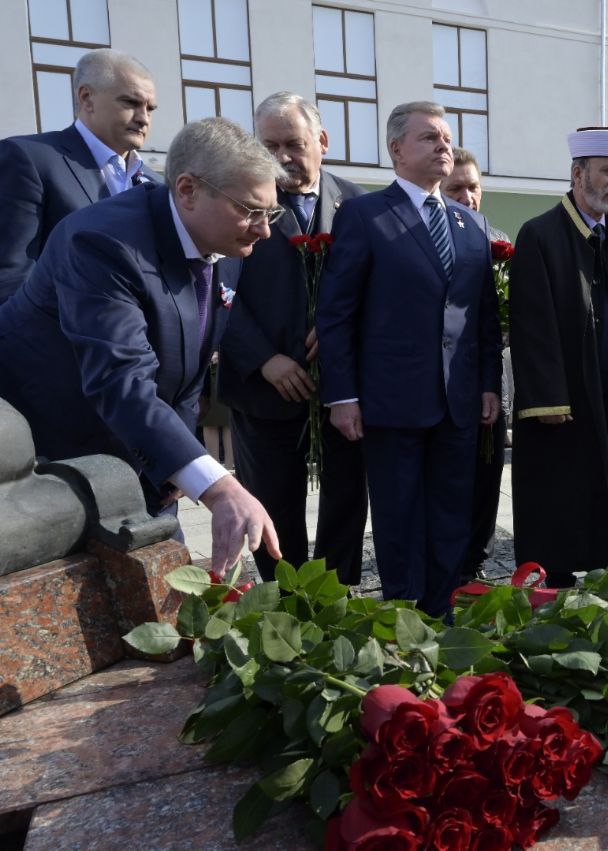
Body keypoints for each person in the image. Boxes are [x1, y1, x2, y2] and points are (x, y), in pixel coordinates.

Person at [0, 117, 284, 572]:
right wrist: (218, 486)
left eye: (271, 212)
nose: (263, 230)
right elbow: (118, 378)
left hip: (127, 427)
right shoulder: (103, 242)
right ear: (188, 190)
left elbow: (185, 373)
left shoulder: (226, 245)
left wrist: (175, 462)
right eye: (250, 210)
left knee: (160, 580)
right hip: (46, 432)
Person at [315, 101, 502, 617]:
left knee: (450, 513)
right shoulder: (365, 216)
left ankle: (440, 611)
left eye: (446, 138)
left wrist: (489, 383)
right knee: (398, 514)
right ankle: (402, 612)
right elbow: (337, 315)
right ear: (397, 150)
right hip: (390, 400)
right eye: (429, 138)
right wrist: (343, 395)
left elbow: (483, 316)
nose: (444, 146)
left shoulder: (470, 224)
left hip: (458, 400)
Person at [217, 92, 369, 585]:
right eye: (269, 145)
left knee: (346, 497)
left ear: (321, 141)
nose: (281, 157)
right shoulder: (234, 204)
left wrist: (343, 332)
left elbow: (380, 290)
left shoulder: (361, 206)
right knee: (272, 501)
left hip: (341, 389)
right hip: (264, 389)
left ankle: (334, 595)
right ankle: (286, 600)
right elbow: (215, 291)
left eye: (293, 144)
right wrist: (264, 360)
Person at [508, 127, 608, 585]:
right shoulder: (539, 234)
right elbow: (531, 324)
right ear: (578, 174)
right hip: (568, 397)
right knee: (566, 490)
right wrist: (548, 397)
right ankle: (557, 577)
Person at [0, 49, 159, 323]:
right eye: (130, 102)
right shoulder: (26, 159)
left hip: (143, 360)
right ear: (86, 98)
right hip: (57, 358)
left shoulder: (157, 185)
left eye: (150, 108)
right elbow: (0, 281)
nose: (144, 118)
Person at [444, 146, 508, 581]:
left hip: (493, 376)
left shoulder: (496, 238)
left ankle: (478, 560)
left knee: (489, 471)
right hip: (448, 382)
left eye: (473, 187)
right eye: (456, 188)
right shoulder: (430, 238)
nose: (467, 196)